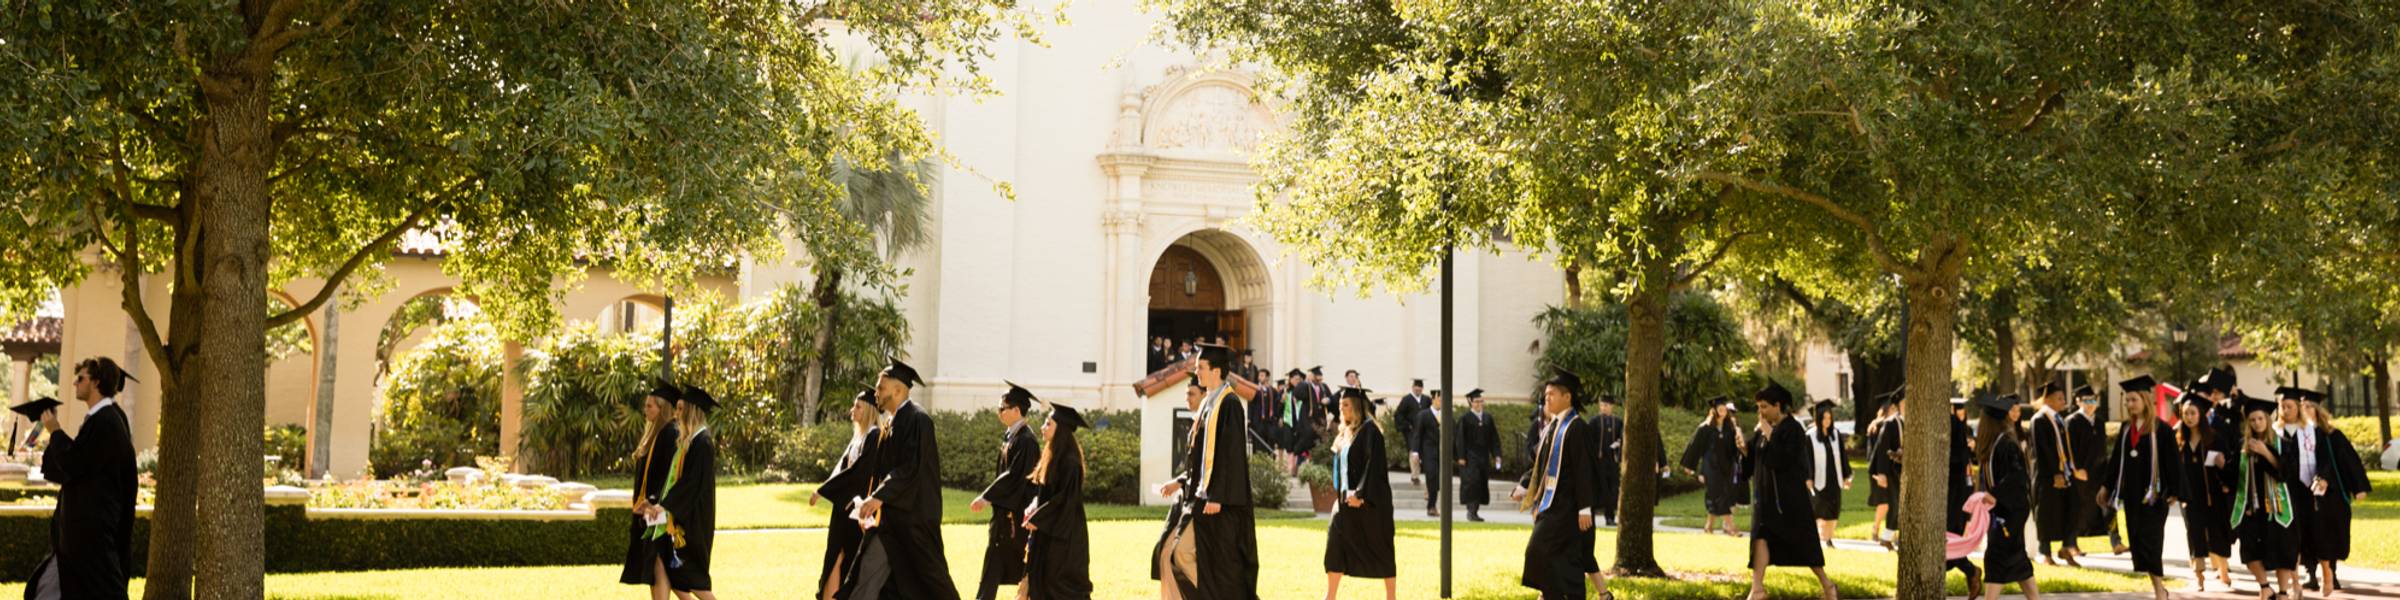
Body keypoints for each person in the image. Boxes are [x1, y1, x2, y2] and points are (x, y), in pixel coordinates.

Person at [19, 358, 138, 600]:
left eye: (81, 378)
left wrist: (56, 431)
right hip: (77, 539)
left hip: (92, 537)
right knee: (50, 588)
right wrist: (53, 437)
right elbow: (76, 466)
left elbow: (75, 463)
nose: (75, 383)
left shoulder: (107, 421)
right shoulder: (102, 419)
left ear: (96, 381)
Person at [849, 356, 961, 600]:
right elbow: (880, 471)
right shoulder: (891, 422)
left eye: (880, 388)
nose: (876, 393)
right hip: (891, 522)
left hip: (914, 522)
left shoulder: (918, 420)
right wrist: (870, 502)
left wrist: (878, 498)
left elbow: (910, 468)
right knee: (872, 578)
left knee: (932, 581)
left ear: (898, 390)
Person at [1160, 343, 1257, 599]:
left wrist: (1218, 496)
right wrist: (1181, 481)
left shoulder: (1230, 404)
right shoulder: (1207, 405)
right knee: (1174, 553)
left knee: (1215, 564)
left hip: (1221, 505)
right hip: (1202, 499)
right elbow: (1201, 457)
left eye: (1201, 367)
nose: (1197, 372)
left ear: (1216, 370)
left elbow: (1233, 455)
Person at [1512, 371, 1610, 600]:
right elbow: (1541, 463)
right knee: (1554, 557)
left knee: (1540, 550)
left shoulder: (1576, 428)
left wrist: (1585, 507)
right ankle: (1551, 595)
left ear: (1567, 397)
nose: (1547, 398)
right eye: (1545, 394)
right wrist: (1525, 485)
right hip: (1551, 505)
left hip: (1569, 507)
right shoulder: (1551, 427)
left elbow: (1584, 469)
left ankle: (1566, 594)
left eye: (1552, 394)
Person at [1741, 382, 1838, 600]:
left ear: (1778, 405)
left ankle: (1828, 586)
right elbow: (1752, 466)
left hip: (1790, 501)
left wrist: (1770, 435)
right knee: (1760, 538)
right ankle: (1757, 589)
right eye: (1758, 407)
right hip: (1766, 499)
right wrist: (1744, 451)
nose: (1760, 412)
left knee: (1805, 545)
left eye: (1764, 407)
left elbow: (1782, 461)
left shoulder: (1793, 429)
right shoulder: (1762, 430)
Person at [2092, 376, 2181, 600]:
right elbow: (2115, 462)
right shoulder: (2125, 428)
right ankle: (2158, 587)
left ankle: (2160, 590)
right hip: (2132, 496)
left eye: (2133, 400)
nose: (2130, 405)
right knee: (2139, 541)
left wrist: (2176, 491)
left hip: (2154, 496)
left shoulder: (2162, 430)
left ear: (2145, 399)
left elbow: (2173, 463)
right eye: (2127, 401)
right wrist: (2106, 486)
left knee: (2152, 541)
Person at [643, 384, 721, 599]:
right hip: (683, 517)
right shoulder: (690, 441)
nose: (676, 414)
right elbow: (674, 480)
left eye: (679, 409)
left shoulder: (702, 442)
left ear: (690, 411)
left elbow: (691, 483)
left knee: (694, 580)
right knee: (676, 574)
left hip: (694, 520)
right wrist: (660, 504)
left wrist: (665, 505)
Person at [970, 382, 1041, 600]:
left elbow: (1014, 477)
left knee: (1027, 568)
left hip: (1016, 517)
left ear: (1017, 411)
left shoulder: (1026, 440)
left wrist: (987, 497)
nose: (999, 412)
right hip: (1006, 515)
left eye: (1003, 408)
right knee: (995, 563)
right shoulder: (1012, 436)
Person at [1324, 387, 1396, 600]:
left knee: (1380, 549)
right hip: (1345, 502)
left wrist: (1361, 494)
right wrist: (1341, 495)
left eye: (1346, 405)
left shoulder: (1370, 431)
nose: (1341, 408)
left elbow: (1374, 467)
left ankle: (1391, 597)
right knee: (1335, 546)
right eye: (1340, 405)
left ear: (1356, 407)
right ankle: (1330, 596)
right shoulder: (1346, 432)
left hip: (1370, 504)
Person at [2295, 395, 2370, 595]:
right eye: (2302, 407)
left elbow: (2349, 461)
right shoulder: (2298, 435)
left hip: (2331, 494)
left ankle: (2332, 572)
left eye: (2309, 406)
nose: (2306, 410)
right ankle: (2311, 573)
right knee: (2307, 532)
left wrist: (2358, 486)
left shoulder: (2332, 434)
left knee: (2330, 532)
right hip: (2305, 493)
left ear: (2318, 409)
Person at [812, 391, 882, 600]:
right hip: (844, 507)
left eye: (858, 407)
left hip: (857, 510)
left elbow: (859, 473)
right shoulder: (858, 437)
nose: (853, 410)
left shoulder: (874, 435)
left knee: (848, 557)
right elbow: (842, 469)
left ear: (869, 410)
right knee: (835, 556)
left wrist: (824, 490)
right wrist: (823, 489)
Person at [1022, 398, 1092, 600]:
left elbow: (1064, 501)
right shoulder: (1052, 456)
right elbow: (1046, 493)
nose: (1043, 427)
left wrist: (1038, 518)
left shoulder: (1070, 463)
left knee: (1059, 586)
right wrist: (1034, 506)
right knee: (1042, 581)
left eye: (1048, 424)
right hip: (1049, 531)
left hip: (1064, 537)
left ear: (1060, 429)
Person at [1971, 393, 2039, 600]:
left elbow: (2017, 478)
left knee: (1996, 558)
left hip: (2010, 512)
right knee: (2017, 559)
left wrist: (1995, 495)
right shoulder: (1996, 444)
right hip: (2004, 510)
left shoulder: (2005, 445)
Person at [2232, 395, 2298, 599]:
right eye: (2252, 420)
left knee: (2282, 552)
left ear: (2267, 420)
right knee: (2249, 552)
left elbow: (2287, 473)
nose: (2257, 423)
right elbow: (2233, 475)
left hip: (2278, 507)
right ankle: (2264, 587)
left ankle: (2283, 592)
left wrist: (2265, 452)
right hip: (2252, 507)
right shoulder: (2243, 446)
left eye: (2260, 418)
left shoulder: (2283, 444)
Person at [1150, 378, 1209, 600]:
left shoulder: (1207, 426)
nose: (1187, 398)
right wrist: (1180, 481)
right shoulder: (1196, 424)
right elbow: (1192, 468)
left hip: (1199, 502)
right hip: (1185, 500)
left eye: (1191, 393)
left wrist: (1180, 482)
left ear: (1204, 394)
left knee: (1181, 554)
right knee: (1164, 553)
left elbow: (1205, 468)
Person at [622, 383, 683, 597]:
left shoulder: (670, 433)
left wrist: (653, 501)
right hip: (648, 509)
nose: (645, 409)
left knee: (659, 564)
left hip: (658, 509)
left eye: (650, 406)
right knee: (655, 566)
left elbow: (669, 474)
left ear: (662, 408)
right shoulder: (656, 433)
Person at [2177, 392, 2237, 591]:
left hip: (2213, 495)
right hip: (2189, 497)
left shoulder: (2214, 438)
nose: (2189, 417)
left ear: (2201, 415)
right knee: (2194, 534)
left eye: (2193, 413)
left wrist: (2222, 466)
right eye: (2186, 413)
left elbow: (2229, 466)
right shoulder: (2179, 440)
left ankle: (2224, 570)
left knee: (2217, 532)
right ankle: (2199, 576)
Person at [2029, 382, 2080, 566]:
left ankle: (2066, 547)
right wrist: (2054, 474)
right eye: (2059, 398)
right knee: (2046, 513)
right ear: (2048, 400)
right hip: (2047, 476)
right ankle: (2045, 552)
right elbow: (2042, 451)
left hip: (2064, 473)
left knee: (2072, 507)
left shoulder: (2059, 419)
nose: (2064, 401)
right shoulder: (2039, 420)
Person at [2066, 385, 2120, 555]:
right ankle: (2072, 544)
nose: (2090, 404)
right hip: (2081, 473)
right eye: (2086, 400)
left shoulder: (2100, 421)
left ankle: (2116, 542)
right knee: (2077, 509)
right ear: (2078, 402)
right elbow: (2068, 449)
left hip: (2100, 472)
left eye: (2093, 400)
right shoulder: (2072, 421)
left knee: (2108, 505)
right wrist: (2076, 469)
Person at [1679, 398, 1745, 536]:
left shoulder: (1729, 428)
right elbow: (1695, 447)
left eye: (1724, 409)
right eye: (1720, 408)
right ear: (1714, 410)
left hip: (1726, 467)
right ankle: (1732, 527)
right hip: (1711, 467)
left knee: (1716, 496)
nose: (1723, 411)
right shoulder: (1706, 428)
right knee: (1720, 496)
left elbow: (1734, 449)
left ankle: (1708, 527)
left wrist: (1739, 459)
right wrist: (1690, 466)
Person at [1945, 396, 1984, 594]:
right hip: (1953, 491)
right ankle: (1971, 571)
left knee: (1946, 539)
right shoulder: (1953, 424)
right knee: (1945, 540)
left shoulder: (1951, 424)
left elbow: (1958, 461)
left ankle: (1971, 571)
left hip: (1953, 493)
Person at [1805, 399, 1850, 547]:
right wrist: (1808, 477)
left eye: (1829, 418)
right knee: (1819, 509)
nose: (1827, 421)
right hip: (1818, 479)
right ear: (1818, 418)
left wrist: (1846, 476)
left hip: (1834, 478)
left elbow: (1843, 457)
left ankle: (1828, 538)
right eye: (1824, 418)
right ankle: (1819, 538)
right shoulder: (1810, 436)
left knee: (1833, 510)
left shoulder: (1835, 435)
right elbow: (1807, 458)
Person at [1866, 388, 1905, 549]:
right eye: (1905, 402)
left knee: (1900, 505)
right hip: (1889, 471)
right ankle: (1886, 537)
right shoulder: (1890, 424)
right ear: (1898, 405)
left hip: (1901, 471)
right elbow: (1881, 450)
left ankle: (1889, 537)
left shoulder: (1905, 422)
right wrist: (1881, 473)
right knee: (1894, 504)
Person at [1459, 389, 1498, 522]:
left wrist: (1496, 454)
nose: (1479, 404)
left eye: (1481, 401)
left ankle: (1475, 511)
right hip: (1470, 457)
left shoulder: (1488, 418)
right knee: (1472, 483)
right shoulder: (1465, 419)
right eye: (1476, 401)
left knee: (1481, 482)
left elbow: (1494, 438)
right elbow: (1460, 439)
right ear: (1471, 402)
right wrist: (1461, 456)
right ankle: (1471, 511)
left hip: (1483, 457)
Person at [1412, 389, 1450, 516]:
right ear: (1433, 399)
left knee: (1439, 481)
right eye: (1440, 399)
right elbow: (1417, 434)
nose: (1442, 402)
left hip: (1442, 453)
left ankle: (1430, 492)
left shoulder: (1446, 415)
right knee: (1432, 476)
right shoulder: (1423, 415)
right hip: (1428, 453)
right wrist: (1415, 452)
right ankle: (1431, 506)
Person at [1281, 370, 1321, 473]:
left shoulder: (1305, 389)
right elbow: (1279, 408)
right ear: (1290, 380)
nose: (1296, 381)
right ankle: (1291, 467)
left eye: (1298, 379)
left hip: (1301, 423)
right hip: (1290, 421)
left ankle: (1297, 466)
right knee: (1291, 444)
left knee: (1301, 444)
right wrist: (1281, 401)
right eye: (1294, 379)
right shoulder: (1286, 392)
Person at [1396, 379, 1428, 483]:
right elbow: (1399, 414)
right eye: (1416, 386)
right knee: (1414, 451)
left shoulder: (1426, 399)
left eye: (1420, 387)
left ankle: (1424, 473)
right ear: (1412, 387)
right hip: (1411, 431)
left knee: (1423, 451)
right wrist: (1407, 425)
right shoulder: (1407, 399)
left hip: (1424, 430)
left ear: (1422, 388)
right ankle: (1415, 475)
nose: (1418, 389)